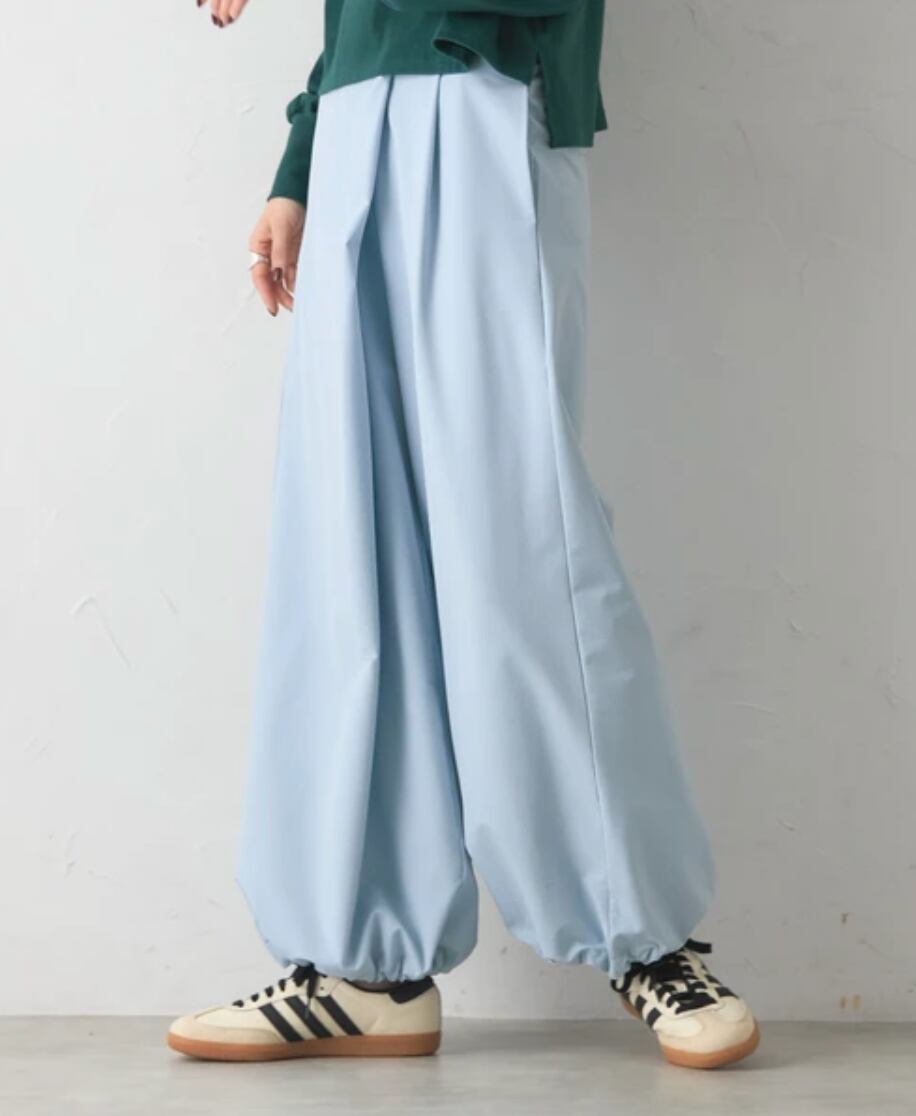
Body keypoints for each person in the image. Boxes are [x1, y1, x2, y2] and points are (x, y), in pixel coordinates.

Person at [168, 0, 760, 1071]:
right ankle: (370, 969)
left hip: (488, 104)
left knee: (524, 544)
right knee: (351, 554)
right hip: (359, 123)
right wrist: (302, 163)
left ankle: (644, 936)